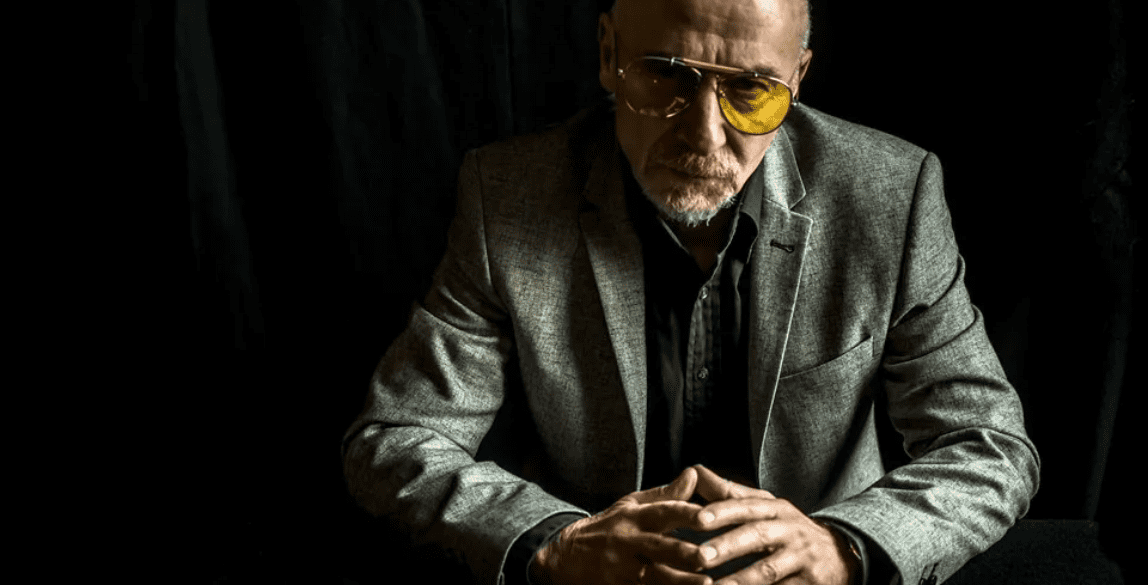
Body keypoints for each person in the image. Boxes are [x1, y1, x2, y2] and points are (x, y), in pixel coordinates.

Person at [342, 0, 1040, 583]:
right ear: (609, 54)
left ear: (797, 78)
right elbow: (399, 436)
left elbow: (988, 445)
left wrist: (842, 548)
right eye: (665, 75)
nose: (705, 135)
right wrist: (557, 543)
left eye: (751, 90)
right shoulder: (505, 197)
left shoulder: (893, 197)